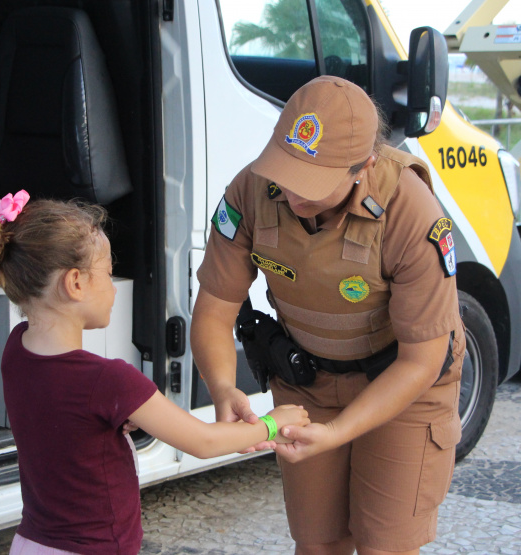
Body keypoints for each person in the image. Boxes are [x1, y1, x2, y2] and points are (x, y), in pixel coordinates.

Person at [190, 75, 466, 555]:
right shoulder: (251, 192)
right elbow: (213, 312)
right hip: (307, 379)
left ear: (365, 166)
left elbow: (422, 360)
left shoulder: (412, 212)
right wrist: (222, 388)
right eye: (286, 173)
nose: (294, 195)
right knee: (318, 542)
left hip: (402, 386)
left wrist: (338, 432)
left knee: (385, 545)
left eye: (313, 184)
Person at [0, 191, 309, 555]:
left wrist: (114, 415)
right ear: (75, 283)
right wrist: (272, 422)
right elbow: (203, 442)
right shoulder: (109, 381)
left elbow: (64, 417)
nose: (112, 287)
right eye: (108, 274)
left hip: (32, 543)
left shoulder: (16, 349)